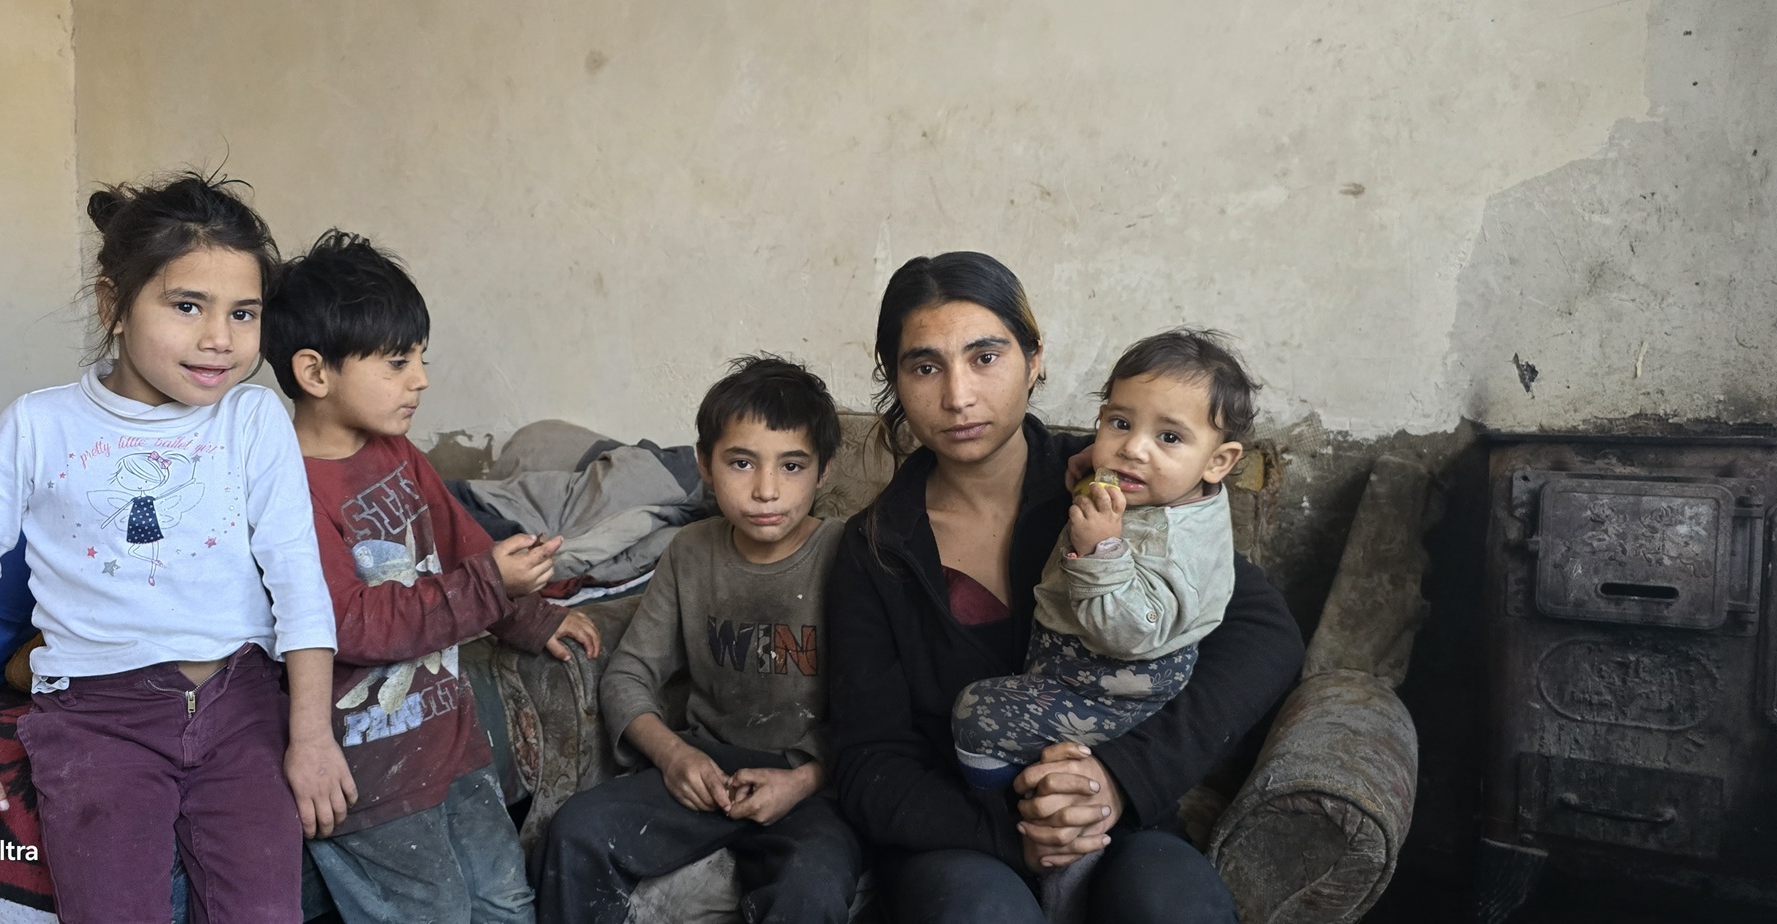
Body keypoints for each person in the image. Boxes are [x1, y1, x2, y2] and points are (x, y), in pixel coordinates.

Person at [0, 172, 354, 924]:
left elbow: (299, 581)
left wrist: (310, 735)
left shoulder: (252, 419)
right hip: (96, 719)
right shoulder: (38, 427)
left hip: (241, 707)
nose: (220, 338)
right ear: (113, 305)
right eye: (187, 306)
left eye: (243, 313)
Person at [827, 252, 1304, 923]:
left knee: (1171, 903)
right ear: (895, 380)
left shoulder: (1119, 482)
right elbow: (868, 760)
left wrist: (1119, 781)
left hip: (1119, 818)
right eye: (925, 366)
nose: (958, 396)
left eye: (985, 357)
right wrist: (1012, 836)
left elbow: (1266, 635)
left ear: (1035, 359)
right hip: (962, 835)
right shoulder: (876, 548)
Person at [262, 229, 600, 924]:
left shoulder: (396, 452)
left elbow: (462, 547)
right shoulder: (285, 488)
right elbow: (348, 622)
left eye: (420, 358)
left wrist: (531, 613)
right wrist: (489, 585)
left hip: (449, 741)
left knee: (505, 900)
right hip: (366, 770)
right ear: (315, 373)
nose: (420, 378)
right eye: (397, 362)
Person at [534, 356, 865, 924]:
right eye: (741, 462)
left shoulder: (848, 556)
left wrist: (804, 780)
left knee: (812, 883)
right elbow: (629, 673)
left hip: (813, 784)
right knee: (575, 832)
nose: (766, 490)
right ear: (704, 465)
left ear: (824, 472)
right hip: (707, 767)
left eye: (791, 466)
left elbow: (878, 708)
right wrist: (673, 755)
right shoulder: (689, 552)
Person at [953, 329, 1256, 790]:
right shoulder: (1188, 490)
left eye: (1169, 436)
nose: (1133, 449)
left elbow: (1132, 631)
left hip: (1112, 682)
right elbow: (1144, 452)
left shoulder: (1170, 541)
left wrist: (1100, 551)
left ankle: (1016, 803)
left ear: (1219, 461)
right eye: (1120, 423)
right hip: (1088, 667)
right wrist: (1097, 456)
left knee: (976, 715)